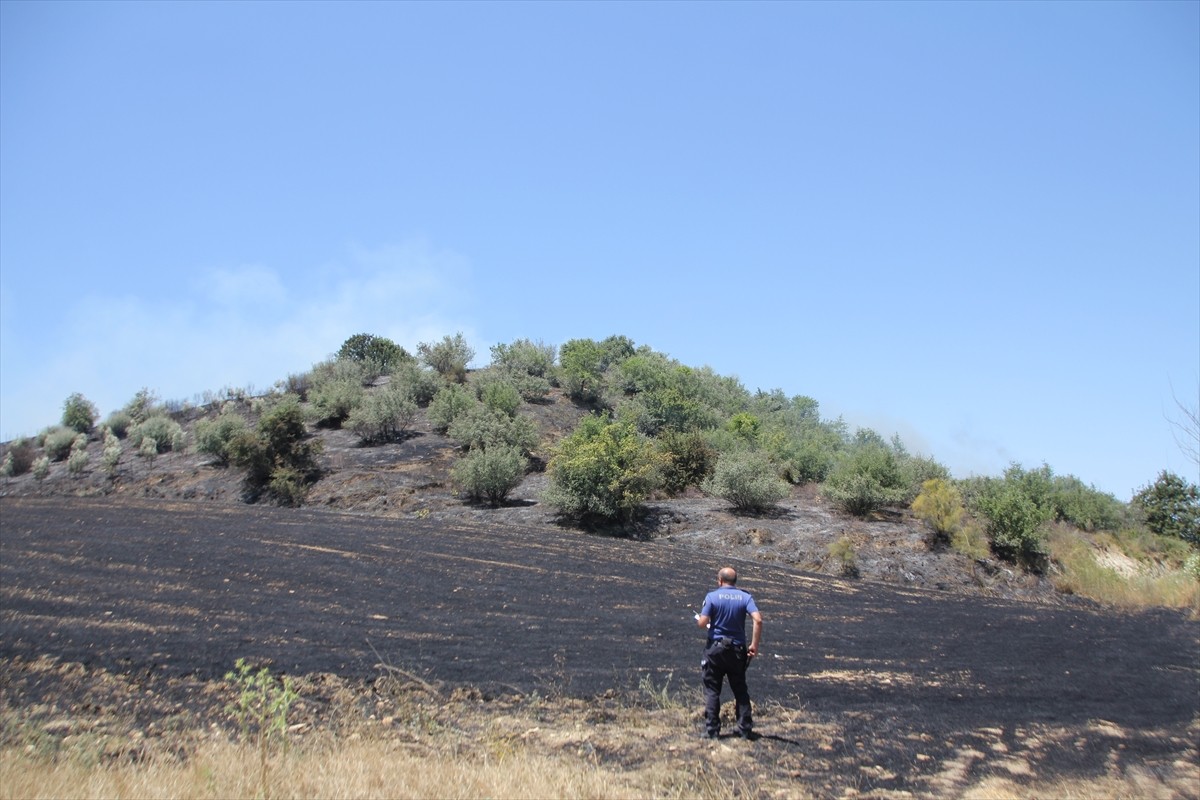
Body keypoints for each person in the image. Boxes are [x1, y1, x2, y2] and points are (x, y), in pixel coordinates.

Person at [696, 566, 763, 740]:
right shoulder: (745, 597)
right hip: (737, 650)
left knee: (712, 690)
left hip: (716, 649)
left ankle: (712, 730)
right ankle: (745, 729)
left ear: (719, 580)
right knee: (740, 689)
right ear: (735, 581)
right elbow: (758, 619)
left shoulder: (712, 596)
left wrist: (708, 620)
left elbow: (702, 623)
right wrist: (754, 644)